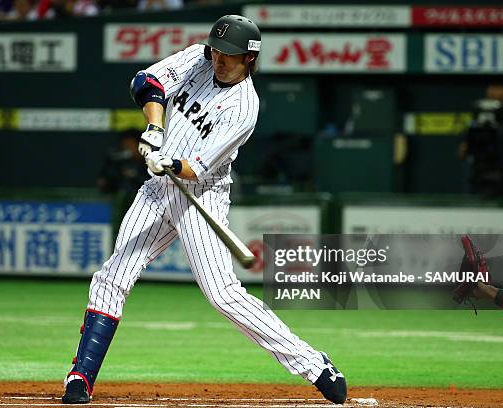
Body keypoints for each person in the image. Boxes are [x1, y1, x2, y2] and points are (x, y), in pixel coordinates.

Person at [61, 15, 347, 405]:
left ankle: (314, 364)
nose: (218, 58)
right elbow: (145, 83)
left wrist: (171, 163)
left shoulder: (244, 108)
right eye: (216, 49)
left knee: (223, 295)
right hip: (157, 190)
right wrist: (156, 129)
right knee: (112, 277)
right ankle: (80, 377)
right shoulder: (198, 57)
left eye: (229, 54)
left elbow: (197, 166)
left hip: (201, 195)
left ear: (249, 58)